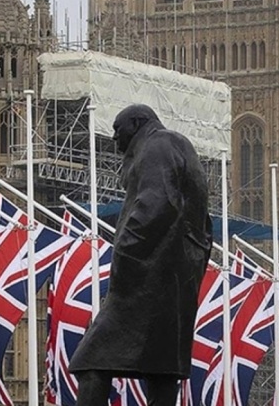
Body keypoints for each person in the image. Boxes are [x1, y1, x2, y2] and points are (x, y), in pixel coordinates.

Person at [69, 104, 212, 406]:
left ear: (137, 123)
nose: (115, 139)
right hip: (175, 279)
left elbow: (156, 203)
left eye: (118, 130)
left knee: (90, 360)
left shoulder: (157, 144)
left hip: (148, 275)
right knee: (162, 369)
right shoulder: (178, 146)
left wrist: (125, 251)